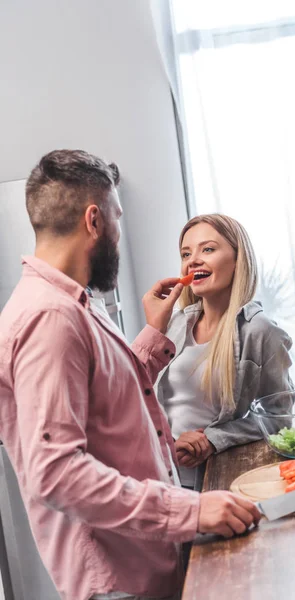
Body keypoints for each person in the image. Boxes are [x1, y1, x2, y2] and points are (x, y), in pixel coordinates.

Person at [0, 151, 261, 600]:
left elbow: (108, 399)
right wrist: (191, 510)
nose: (120, 235)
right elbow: (58, 474)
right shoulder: (50, 318)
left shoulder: (73, 304)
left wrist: (154, 332)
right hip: (120, 579)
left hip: (145, 560)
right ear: (95, 220)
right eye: (118, 218)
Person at [155, 214, 293, 489]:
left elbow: (279, 419)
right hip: (160, 475)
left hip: (215, 482)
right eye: (186, 253)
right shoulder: (175, 323)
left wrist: (212, 439)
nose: (192, 260)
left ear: (237, 259)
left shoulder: (260, 331)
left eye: (207, 249)